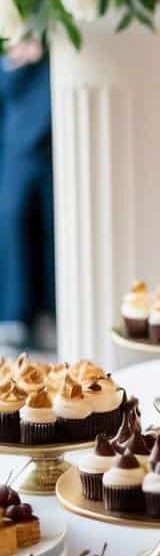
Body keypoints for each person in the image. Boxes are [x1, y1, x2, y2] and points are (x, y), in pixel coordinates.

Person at [0, 42, 55, 349]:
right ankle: (16, 316)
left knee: (59, 226)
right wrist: (14, 59)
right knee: (15, 217)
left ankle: (55, 311)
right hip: (22, 133)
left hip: (66, 129)